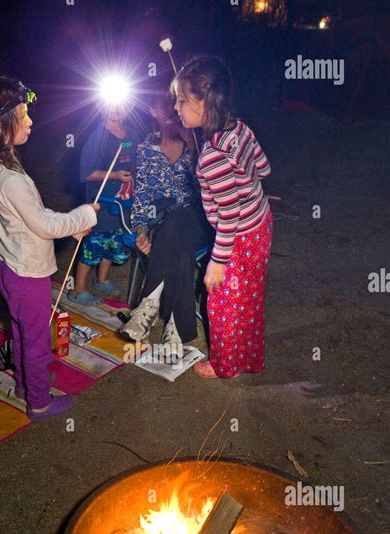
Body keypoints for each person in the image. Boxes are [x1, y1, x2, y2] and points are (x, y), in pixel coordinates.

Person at [0, 76, 98, 420]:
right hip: (28, 276)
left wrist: (74, 220)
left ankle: (25, 384)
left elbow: (34, 217)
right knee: (36, 340)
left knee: (22, 332)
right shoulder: (11, 179)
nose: (30, 120)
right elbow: (46, 226)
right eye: (22, 115)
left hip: (9, 268)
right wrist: (83, 215)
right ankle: (39, 402)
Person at [172, 56, 273, 379]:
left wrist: (217, 261)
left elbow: (228, 216)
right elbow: (264, 167)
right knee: (249, 296)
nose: (176, 107)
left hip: (239, 237)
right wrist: (244, 177)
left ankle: (226, 365)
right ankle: (250, 357)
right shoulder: (238, 127)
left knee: (223, 305)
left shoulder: (213, 157)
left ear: (206, 103)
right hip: (262, 224)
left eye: (182, 100)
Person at [120, 85, 211, 362]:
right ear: (152, 111)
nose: (173, 112)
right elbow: (143, 195)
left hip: (199, 220)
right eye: (166, 106)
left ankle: (149, 303)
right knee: (177, 245)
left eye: (177, 105)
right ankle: (175, 327)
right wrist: (142, 231)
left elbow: (207, 194)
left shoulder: (198, 145)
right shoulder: (146, 149)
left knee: (179, 219)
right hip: (163, 224)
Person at [68, 102, 138, 305]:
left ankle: (101, 280)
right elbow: (87, 173)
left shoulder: (132, 134)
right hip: (101, 205)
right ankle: (78, 289)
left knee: (113, 243)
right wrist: (115, 175)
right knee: (93, 247)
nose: (116, 108)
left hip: (122, 205)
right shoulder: (96, 138)